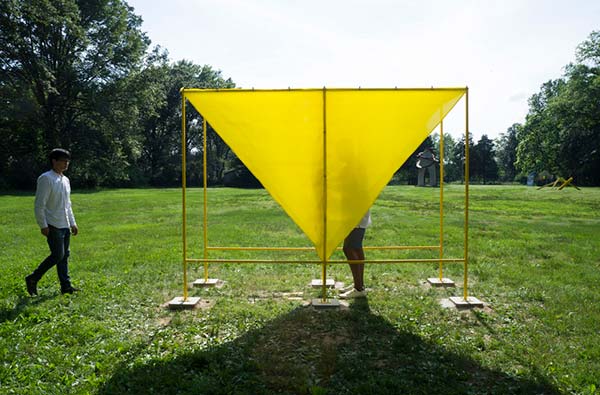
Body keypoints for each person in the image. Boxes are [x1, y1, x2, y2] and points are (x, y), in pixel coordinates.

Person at [25, 148, 79, 295]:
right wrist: (43, 225)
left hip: (65, 224)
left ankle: (66, 286)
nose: (66, 164)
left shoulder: (65, 180)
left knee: (64, 256)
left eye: (68, 161)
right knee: (58, 255)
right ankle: (33, 278)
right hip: (52, 224)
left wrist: (72, 223)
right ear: (54, 161)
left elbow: (67, 204)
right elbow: (39, 204)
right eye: (63, 161)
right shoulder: (46, 178)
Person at [340, 209, 371, 299]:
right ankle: (359, 284)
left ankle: (358, 288)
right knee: (355, 248)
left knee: (350, 248)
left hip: (356, 215)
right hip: (355, 214)